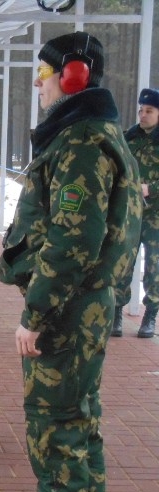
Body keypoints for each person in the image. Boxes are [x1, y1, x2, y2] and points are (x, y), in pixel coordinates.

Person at [0, 32, 142, 492]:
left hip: (66, 309)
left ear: (73, 75)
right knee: (82, 428)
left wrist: (35, 314)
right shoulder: (98, 134)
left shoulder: (81, 142)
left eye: (44, 72)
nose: (37, 83)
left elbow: (73, 239)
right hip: (85, 305)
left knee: (56, 436)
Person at [112, 87, 159, 338]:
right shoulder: (129, 138)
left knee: (155, 266)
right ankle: (116, 313)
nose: (143, 115)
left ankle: (150, 315)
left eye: (149, 111)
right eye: (141, 110)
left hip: (156, 216)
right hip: (130, 212)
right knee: (122, 262)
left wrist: (151, 188)